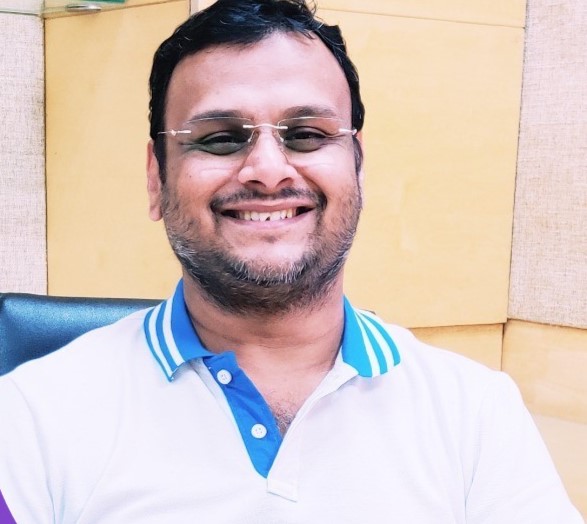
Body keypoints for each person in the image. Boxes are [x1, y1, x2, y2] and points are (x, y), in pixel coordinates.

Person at [0, 0, 583, 522]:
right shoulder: (31, 417)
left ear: (357, 167)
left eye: (306, 134)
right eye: (220, 137)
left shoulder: (475, 412)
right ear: (157, 179)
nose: (268, 170)